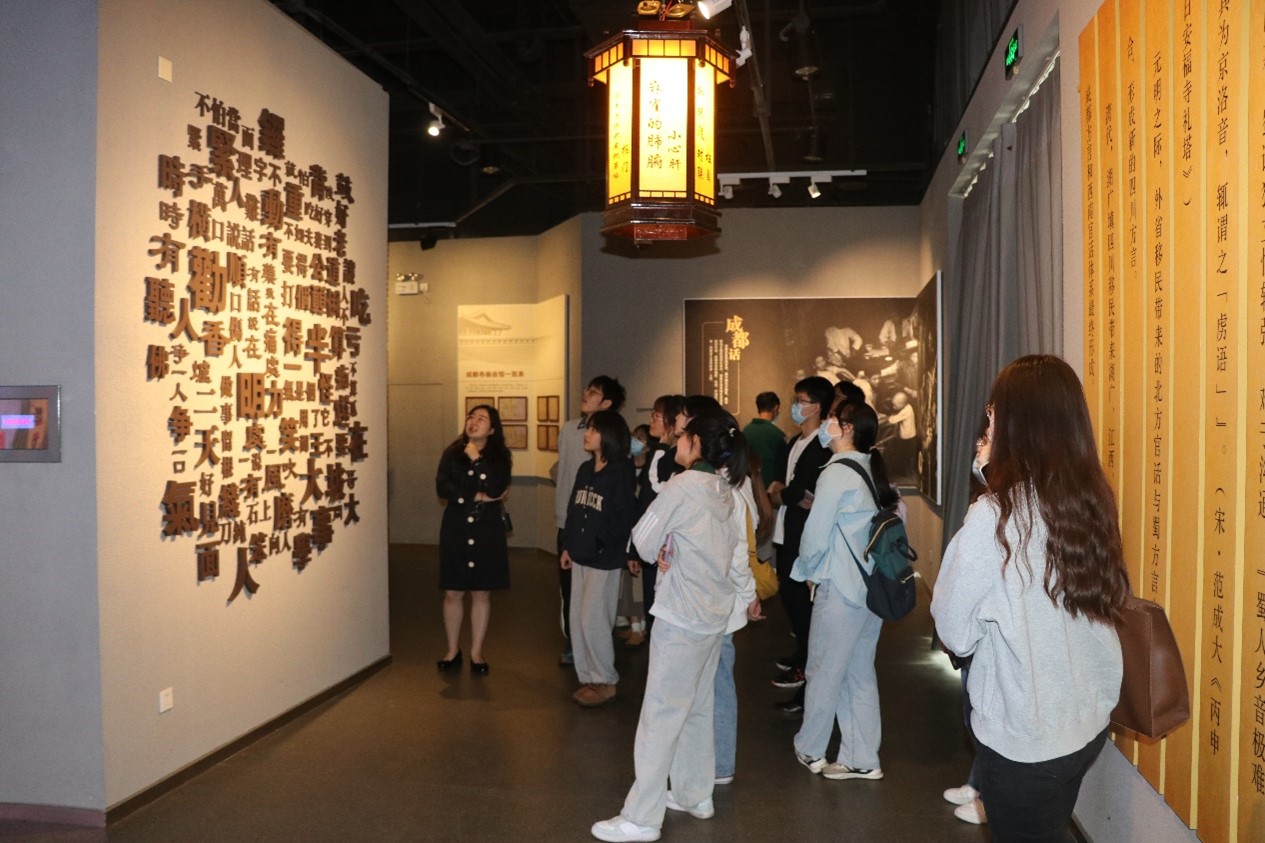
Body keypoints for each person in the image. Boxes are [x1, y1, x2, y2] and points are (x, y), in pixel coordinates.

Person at [931, 354, 1130, 842]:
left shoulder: (994, 516)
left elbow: (954, 629)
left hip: (1026, 741)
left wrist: (988, 486)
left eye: (993, 413)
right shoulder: (1088, 499)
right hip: (1085, 724)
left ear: (1017, 424)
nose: (987, 424)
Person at [590, 411, 759, 843]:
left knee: (661, 716)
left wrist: (668, 547)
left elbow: (643, 541)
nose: (678, 441)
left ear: (697, 443)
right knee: (697, 708)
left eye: (684, 435)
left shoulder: (682, 487)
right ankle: (694, 794)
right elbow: (736, 558)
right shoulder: (728, 491)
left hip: (681, 617)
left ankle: (642, 818)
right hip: (713, 617)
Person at [790, 400, 893, 781]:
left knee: (823, 669)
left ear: (847, 428)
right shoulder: (867, 468)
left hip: (840, 588)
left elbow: (815, 535)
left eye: (832, 419)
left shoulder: (836, 473)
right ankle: (861, 757)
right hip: (868, 589)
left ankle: (810, 748)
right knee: (858, 673)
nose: (826, 423)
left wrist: (806, 571)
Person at [561, 409, 638, 707]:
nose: (587, 434)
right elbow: (574, 508)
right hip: (580, 553)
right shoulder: (584, 469)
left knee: (594, 618)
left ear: (608, 436)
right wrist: (568, 545)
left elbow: (624, 515)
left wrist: (605, 545)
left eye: (593, 429)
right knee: (578, 618)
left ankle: (605, 680)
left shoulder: (620, 470)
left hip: (604, 557)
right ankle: (588, 677)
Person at [767, 376, 834, 711]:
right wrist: (785, 493)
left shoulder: (822, 446)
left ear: (817, 406)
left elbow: (798, 491)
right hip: (785, 534)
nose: (795, 406)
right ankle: (803, 665)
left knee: (806, 614)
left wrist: (785, 493)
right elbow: (779, 486)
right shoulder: (793, 441)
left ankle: (809, 684)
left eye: (801, 400)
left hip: (804, 539)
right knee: (792, 604)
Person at [942, 414, 993, 826]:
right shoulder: (988, 501)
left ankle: (988, 797)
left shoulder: (995, 510)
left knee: (983, 713)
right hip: (974, 635)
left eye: (988, 436)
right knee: (973, 712)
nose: (979, 444)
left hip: (982, 635)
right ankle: (979, 783)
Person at [554, 375, 627, 665]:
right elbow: (560, 468)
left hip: (599, 527)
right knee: (570, 590)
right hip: (568, 521)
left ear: (607, 403)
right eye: (587, 388)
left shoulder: (616, 441)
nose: (586, 393)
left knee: (595, 600)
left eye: (594, 392)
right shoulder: (569, 429)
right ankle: (575, 644)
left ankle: (599, 660)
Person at [434, 404, 512, 674]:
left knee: (481, 592)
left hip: (486, 528)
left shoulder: (500, 456)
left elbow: (497, 487)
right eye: (471, 416)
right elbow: (442, 487)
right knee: (452, 592)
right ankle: (452, 650)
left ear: (492, 429)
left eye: (481, 419)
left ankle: (476, 652)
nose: (473, 421)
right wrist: (476, 496)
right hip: (455, 526)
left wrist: (477, 460)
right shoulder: (452, 452)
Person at [637, 394, 685, 634]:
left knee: (662, 610)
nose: (651, 420)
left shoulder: (673, 456)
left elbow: (655, 489)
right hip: (652, 542)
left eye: (656, 416)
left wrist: (663, 447)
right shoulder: (660, 452)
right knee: (651, 603)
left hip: (667, 544)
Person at [742, 391, 784, 488]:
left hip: (748, 486)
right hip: (769, 488)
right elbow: (783, 465)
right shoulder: (777, 434)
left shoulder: (745, 431)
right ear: (776, 407)